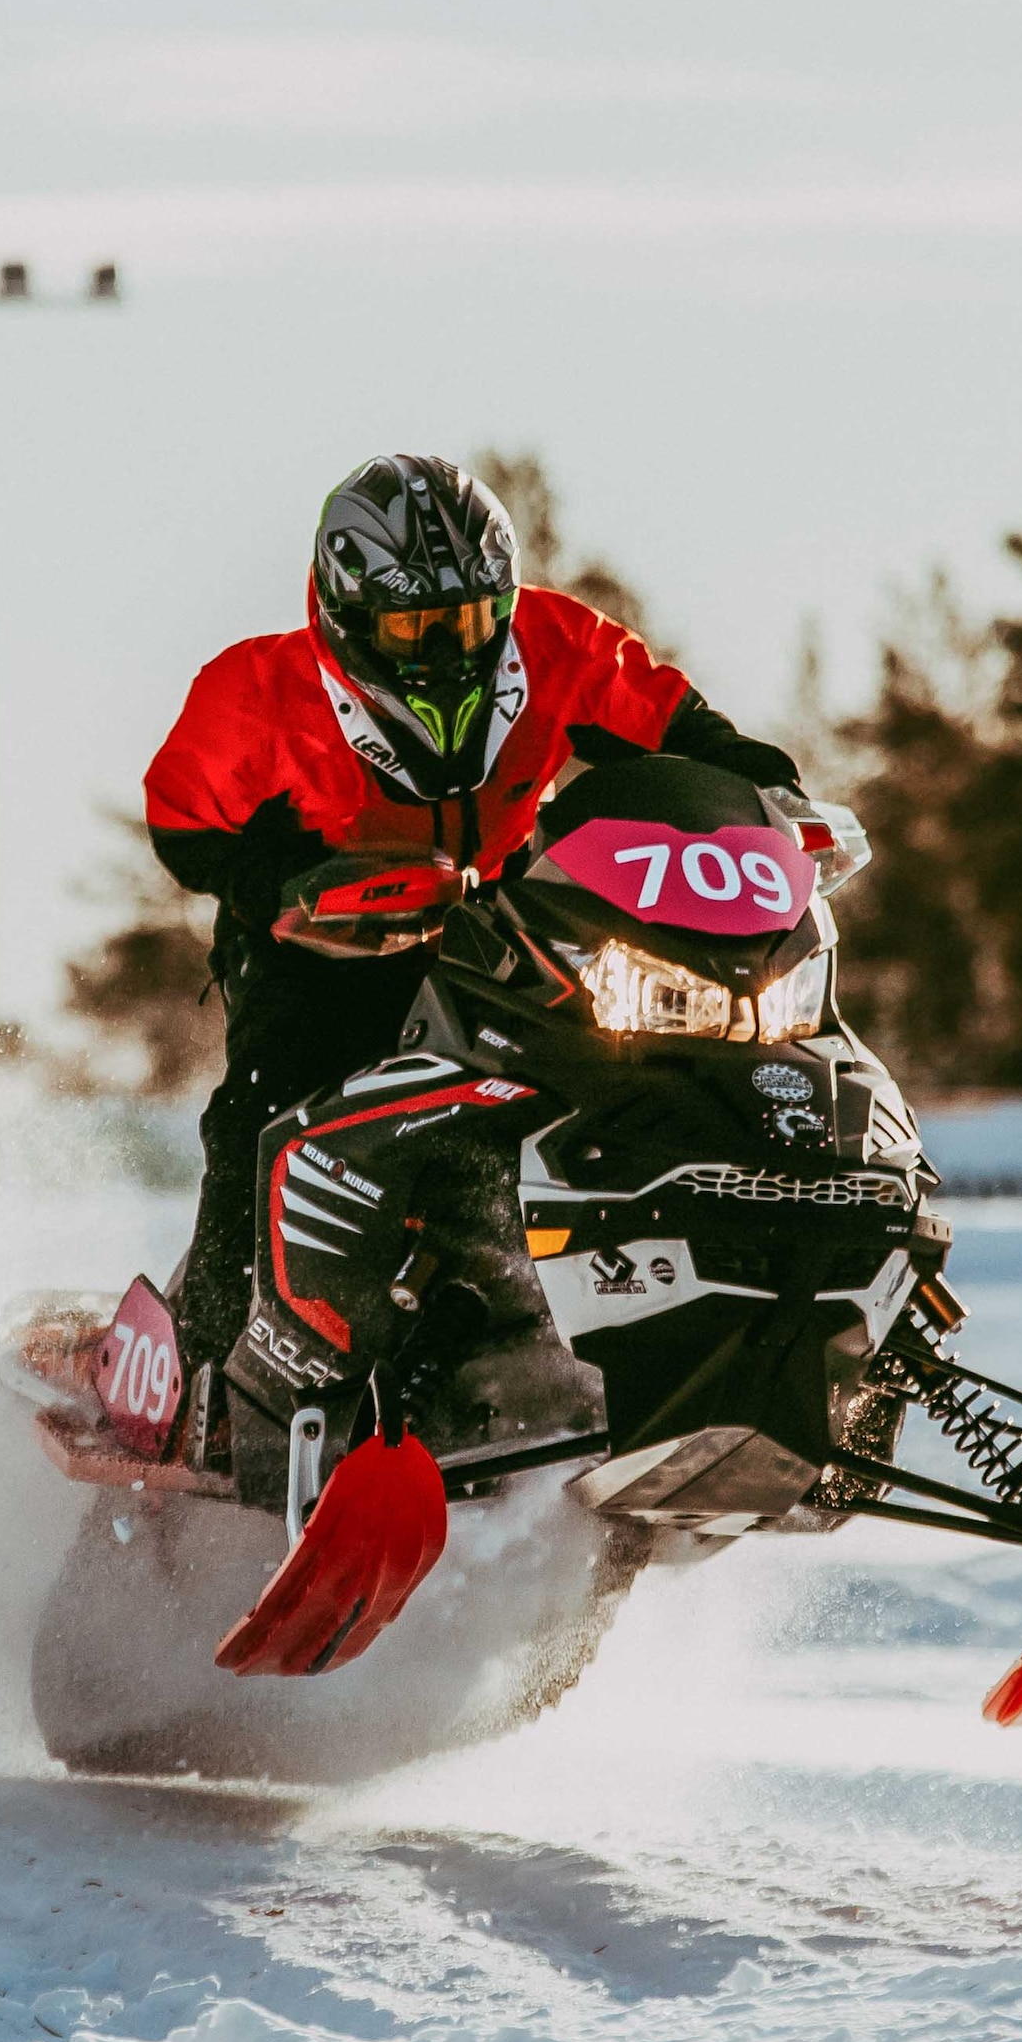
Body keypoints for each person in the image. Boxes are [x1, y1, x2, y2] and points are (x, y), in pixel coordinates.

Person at [141, 454, 798, 1440]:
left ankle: (628, 1343)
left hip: (498, 922)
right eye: (416, 628)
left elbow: (684, 733)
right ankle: (210, 1380)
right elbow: (182, 821)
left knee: (619, 1083)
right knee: (259, 1118)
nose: (451, 650)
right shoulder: (255, 689)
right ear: (347, 617)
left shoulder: (559, 641)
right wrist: (273, 877)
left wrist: (764, 793)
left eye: (471, 621)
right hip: (317, 951)